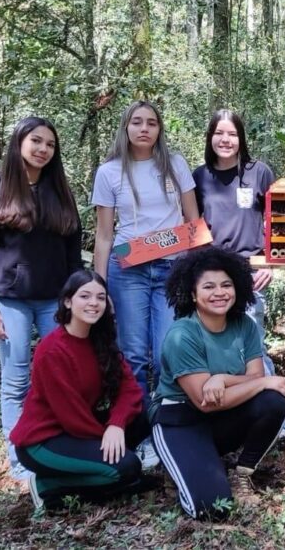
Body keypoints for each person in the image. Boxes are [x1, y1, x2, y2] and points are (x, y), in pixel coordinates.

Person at [0, 116, 82, 480]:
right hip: (11, 302)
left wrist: (74, 297)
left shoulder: (60, 191)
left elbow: (73, 252)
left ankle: (60, 448)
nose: (43, 149)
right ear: (19, 143)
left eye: (49, 144)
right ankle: (21, 464)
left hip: (55, 302)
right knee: (16, 381)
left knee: (61, 377)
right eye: (36, 141)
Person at [150, 248, 285, 520]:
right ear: (193, 294)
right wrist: (259, 382)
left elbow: (256, 378)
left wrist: (222, 378)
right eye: (209, 286)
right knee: (211, 509)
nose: (219, 292)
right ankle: (182, 462)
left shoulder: (245, 326)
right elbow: (206, 402)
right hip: (178, 419)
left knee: (272, 400)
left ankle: (242, 474)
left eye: (226, 285)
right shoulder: (181, 335)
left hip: (220, 416)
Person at [9, 270, 154, 510]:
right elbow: (72, 417)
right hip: (43, 441)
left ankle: (108, 468)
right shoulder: (53, 350)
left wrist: (116, 424)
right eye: (85, 296)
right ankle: (48, 488)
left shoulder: (99, 339)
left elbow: (129, 388)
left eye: (100, 297)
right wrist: (107, 436)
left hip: (78, 429)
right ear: (68, 301)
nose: (93, 303)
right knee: (128, 468)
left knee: (147, 410)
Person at [92, 100, 201, 408]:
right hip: (127, 272)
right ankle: (135, 426)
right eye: (137, 122)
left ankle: (166, 426)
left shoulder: (175, 164)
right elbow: (104, 235)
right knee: (134, 354)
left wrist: (198, 272)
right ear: (126, 127)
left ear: (159, 129)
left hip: (172, 268)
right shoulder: (109, 172)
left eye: (151, 123)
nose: (144, 128)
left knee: (167, 351)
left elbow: (193, 222)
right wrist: (100, 287)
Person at [192, 109, 276, 378]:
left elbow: (279, 221)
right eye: (219, 133)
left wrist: (271, 263)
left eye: (232, 134)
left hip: (251, 270)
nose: (225, 139)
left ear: (241, 138)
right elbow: (191, 226)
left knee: (253, 347)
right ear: (210, 138)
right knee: (216, 347)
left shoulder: (258, 172)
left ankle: (275, 415)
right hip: (212, 272)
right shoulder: (199, 176)